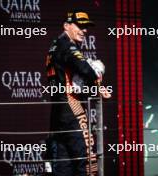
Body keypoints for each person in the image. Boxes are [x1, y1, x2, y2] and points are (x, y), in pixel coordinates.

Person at [45, 10, 110, 176]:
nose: (85, 30)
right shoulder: (67, 45)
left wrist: (95, 86)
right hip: (71, 107)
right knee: (86, 159)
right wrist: (97, 76)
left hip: (58, 111)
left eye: (86, 27)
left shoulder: (55, 44)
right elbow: (85, 69)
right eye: (80, 26)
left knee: (63, 164)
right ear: (66, 26)